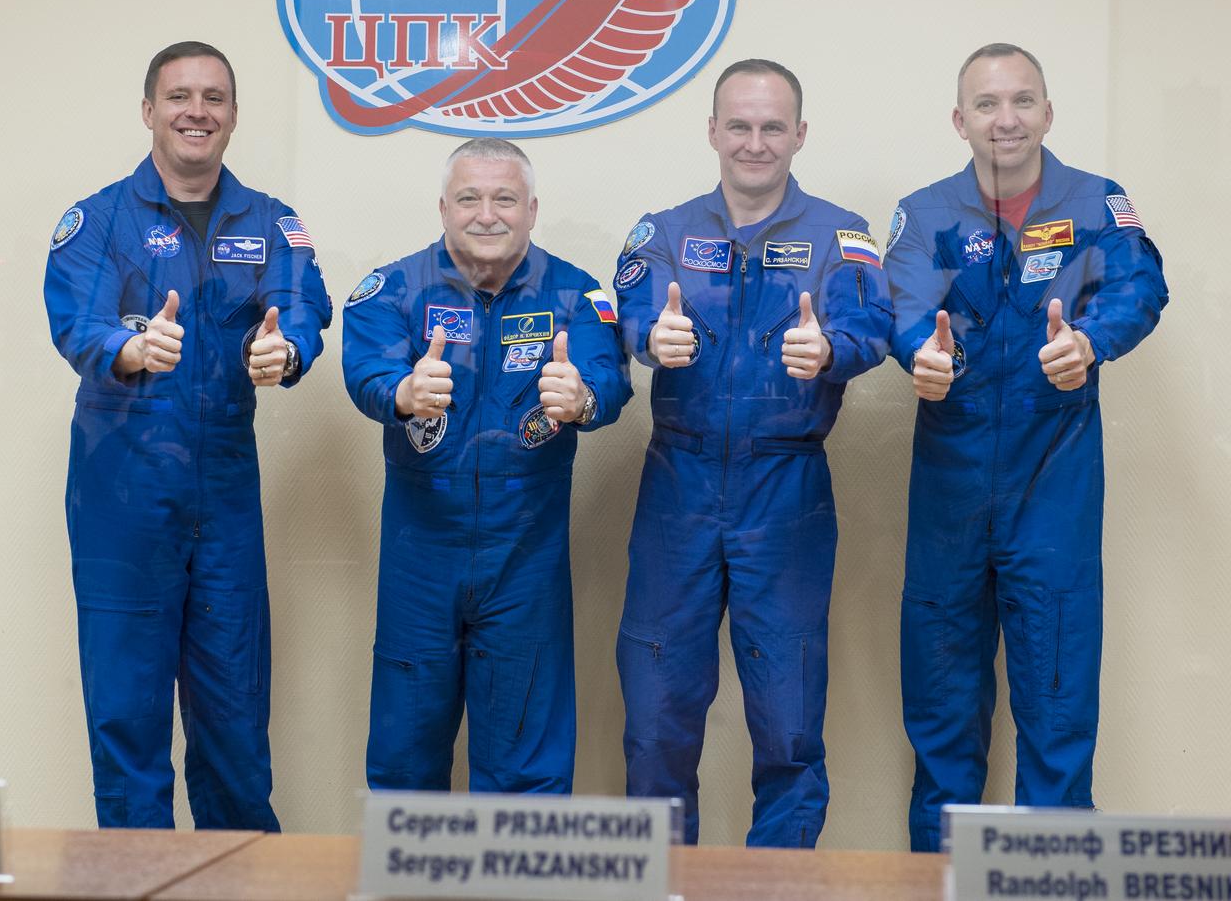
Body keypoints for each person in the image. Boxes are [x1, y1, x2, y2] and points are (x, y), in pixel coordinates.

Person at [884, 43, 1168, 852]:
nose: (1004, 119)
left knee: (1056, 697)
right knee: (941, 710)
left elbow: (1138, 285)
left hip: (1054, 479)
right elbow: (902, 299)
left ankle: (1050, 881)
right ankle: (939, 879)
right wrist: (921, 354)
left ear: (1048, 111)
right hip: (951, 485)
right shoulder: (926, 213)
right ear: (959, 120)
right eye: (986, 104)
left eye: (1021, 101)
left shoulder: (1094, 202)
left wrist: (1092, 340)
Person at [44, 41, 332, 829]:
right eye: (179, 96)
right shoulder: (101, 220)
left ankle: (241, 880)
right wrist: (126, 351)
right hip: (122, 493)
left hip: (225, 492)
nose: (196, 111)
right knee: (128, 718)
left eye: (213, 97)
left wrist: (288, 348)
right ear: (148, 111)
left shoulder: (272, 222)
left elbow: (301, 302)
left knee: (235, 717)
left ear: (234, 117)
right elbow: (75, 318)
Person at [612, 59, 892, 847]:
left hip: (786, 491)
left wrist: (831, 347)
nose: (756, 142)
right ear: (712, 131)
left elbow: (877, 327)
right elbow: (629, 307)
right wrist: (649, 336)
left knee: (790, 725)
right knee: (656, 720)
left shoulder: (841, 237)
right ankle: (660, 886)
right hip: (680, 486)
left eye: (773, 126)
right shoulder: (666, 232)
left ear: (800, 135)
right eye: (739, 124)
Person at [343, 137, 631, 793]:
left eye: (505, 198)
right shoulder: (392, 289)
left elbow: (608, 377)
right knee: (406, 754)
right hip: (423, 550)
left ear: (532, 209)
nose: (487, 214)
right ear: (443, 207)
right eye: (469, 197)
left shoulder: (575, 295)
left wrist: (582, 398)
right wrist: (402, 392)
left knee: (525, 761)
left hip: (525, 554)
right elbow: (365, 368)